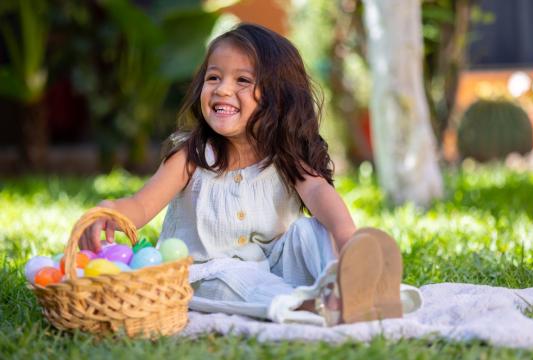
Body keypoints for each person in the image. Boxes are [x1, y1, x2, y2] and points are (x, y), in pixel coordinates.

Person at [79, 23, 421, 326]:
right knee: (232, 276)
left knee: (308, 231)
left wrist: (346, 238)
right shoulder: (192, 155)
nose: (223, 89)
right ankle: (306, 305)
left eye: (242, 80)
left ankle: (352, 281)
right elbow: (141, 205)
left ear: (278, 98)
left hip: (273, 265)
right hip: (206, 273)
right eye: (214, 77)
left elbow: (318, 193)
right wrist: (111, 210)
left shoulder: (285, 156)